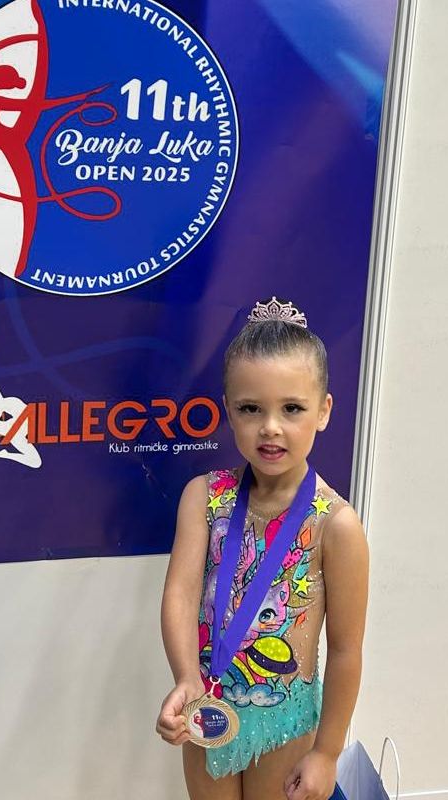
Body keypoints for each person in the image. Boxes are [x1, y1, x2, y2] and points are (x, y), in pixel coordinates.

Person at [156, 298, 370, 800]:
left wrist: (327, 752)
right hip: (206, 708)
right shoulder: (204, 497)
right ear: (229, 410)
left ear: (323, 411)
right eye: (251, 408)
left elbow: (345, 650)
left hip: (285, 723)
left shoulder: (336, 525)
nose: (270, 427)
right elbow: (180, 596)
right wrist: (185, 677)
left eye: (291, 408)